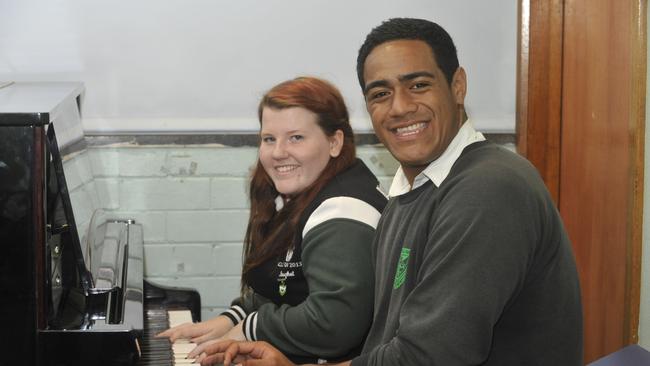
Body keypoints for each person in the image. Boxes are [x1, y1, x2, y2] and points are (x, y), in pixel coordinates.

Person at [198, 18, 583, 366]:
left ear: (458, 86)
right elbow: (392, 345)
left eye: (418, 85)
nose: (399, 107)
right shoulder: (409, 191)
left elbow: (430, 357)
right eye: (380, 94)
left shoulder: (489, 187)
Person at [157, 76, 387, 364]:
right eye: (269, 139)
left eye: (296, 137)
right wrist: (232, 319)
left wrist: (250, 329)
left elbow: (332, 324)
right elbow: (285, 284)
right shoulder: (313, 192)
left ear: (334, 141)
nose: (278, 153)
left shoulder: (342, 213)